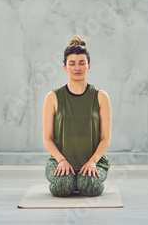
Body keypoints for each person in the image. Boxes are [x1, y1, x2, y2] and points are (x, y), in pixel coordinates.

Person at [42, 35, 112, 197]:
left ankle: (80, 180)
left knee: (90, 187)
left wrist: (93, 161)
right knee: (62, 187)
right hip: (61, 161)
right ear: (65, 68)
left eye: (82, 63)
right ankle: (71, 179)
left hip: (94, 161)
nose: (77, 68)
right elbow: (47, 138)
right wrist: (61, 160)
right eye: (72, 64)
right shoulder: (53, 97)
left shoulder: (101, 96)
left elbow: (105, 138)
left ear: (89, 66)